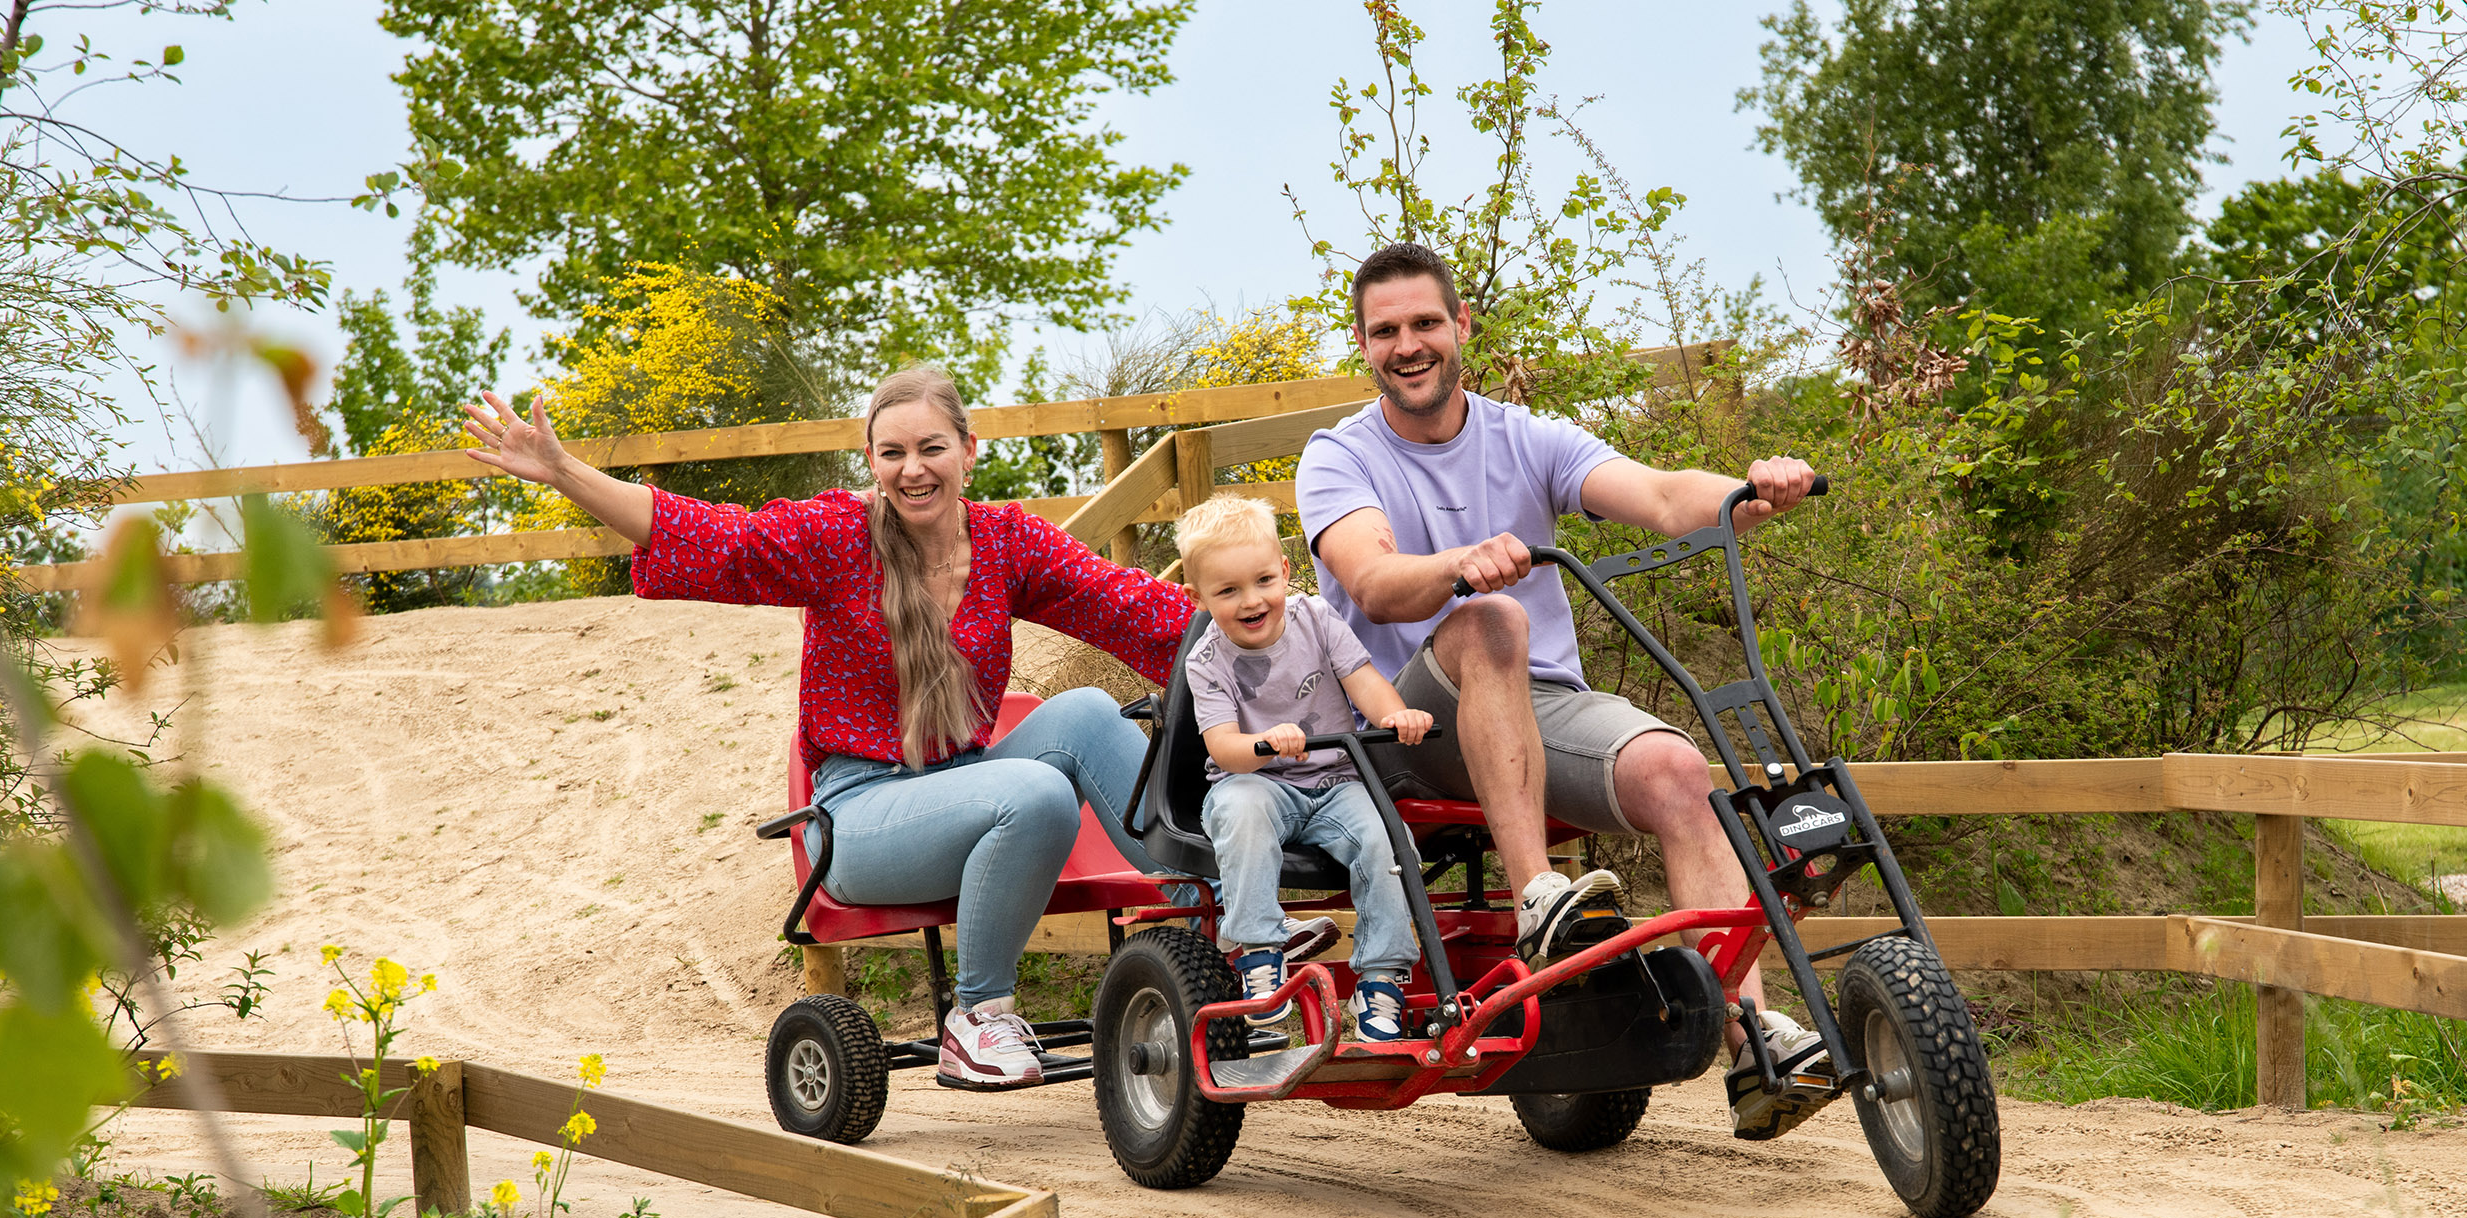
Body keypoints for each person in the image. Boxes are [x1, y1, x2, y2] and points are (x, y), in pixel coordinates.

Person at [461, 364, 1194, 1090]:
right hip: (860, 814)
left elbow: (1126, 606)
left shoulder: (1008, 543)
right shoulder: (839, 536)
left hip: (967, 777)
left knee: (1091, 712)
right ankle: (977, 1019)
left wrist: (1253, 621)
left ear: (969, 453)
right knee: (1035, 792)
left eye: (932, 448)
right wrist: (564, 472)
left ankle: (1222, 918)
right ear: (872, 462)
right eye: (893, 453)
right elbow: (714, 537)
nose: (914, 469)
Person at [1293, 240, 1825, 1081]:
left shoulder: (1525, 435)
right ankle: (1539, 898)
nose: (1409, 345)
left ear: (1461, 324)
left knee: (1679, 770)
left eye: (1426, 322)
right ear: (1363, 345)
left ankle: (1754, 1040)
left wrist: (1747, 493)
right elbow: (1374, 580)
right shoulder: (1339, 456)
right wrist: (1459, 567)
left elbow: (1655, 494)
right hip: (1406, 727)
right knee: (1494, 619)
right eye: (1386, 330)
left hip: (1538, 705)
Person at [1178, 494, 1433, 1044]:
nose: (1252, 600)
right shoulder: (1208, 661)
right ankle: (1261, 953)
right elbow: (1223, 749)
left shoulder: (1317, 618)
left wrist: (1397, 715)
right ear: (1198, 598)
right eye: (1228, 591)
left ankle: (1383, 978)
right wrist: (1266, 745)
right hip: (1255, 783)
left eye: (1264, 580)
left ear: (1285, 572)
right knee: (1240, 809)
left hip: (1337, 782)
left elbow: (1364, 683)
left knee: (1388, 840)